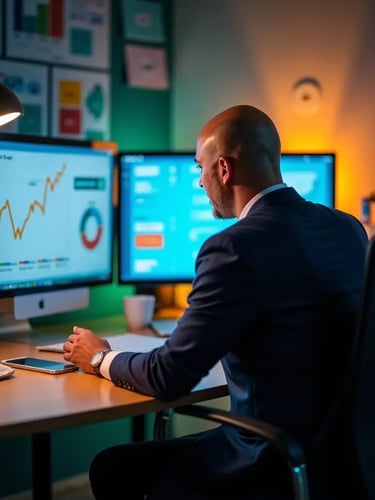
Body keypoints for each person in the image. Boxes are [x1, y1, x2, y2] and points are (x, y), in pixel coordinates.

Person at [63, 104, 368, 499]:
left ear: (223, 169)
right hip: (342, 459)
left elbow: (169, 376)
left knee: (114, 467)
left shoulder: (233, 247)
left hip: (267, 459)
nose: (200, 182)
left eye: (199, 169)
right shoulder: (347, 227)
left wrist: (100, 357)